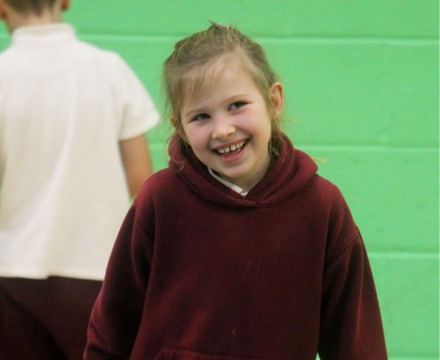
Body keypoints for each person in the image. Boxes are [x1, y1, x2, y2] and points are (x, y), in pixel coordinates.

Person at [84, 23, 387, 359]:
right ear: (180, 129)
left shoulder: (321, 206)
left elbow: (357, 341)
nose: (223, 130)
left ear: (274, 101)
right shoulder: (160, 199)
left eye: (237, 105)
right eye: (201, 116)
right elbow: (112, 327)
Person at [0, 0, 160, 359]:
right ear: (66, 2)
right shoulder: (108, 70)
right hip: (98, 271)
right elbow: (141, 180)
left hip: (11, 271)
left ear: (1, 9)